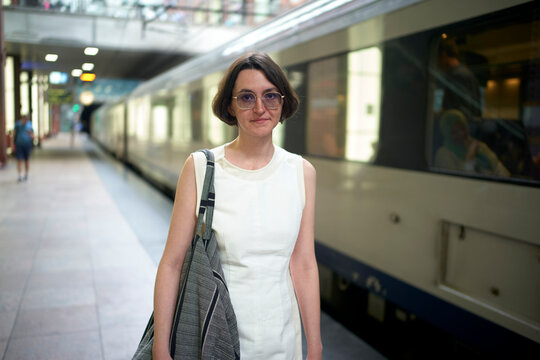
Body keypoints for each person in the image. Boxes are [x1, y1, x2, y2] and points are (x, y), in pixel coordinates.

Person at [152, 52, 322, 360]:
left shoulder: (301, 172)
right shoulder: (201, 168)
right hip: (213, 336)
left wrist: (316, 347)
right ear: (230, 105)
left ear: (283, 102)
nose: (260, 108)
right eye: (246, 97)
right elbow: (171, 264)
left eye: (270, 96)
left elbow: (304, 264)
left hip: (283, 342)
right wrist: (161, 349)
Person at [434, 109, 510, 177]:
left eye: (463, 128)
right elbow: (460, 183)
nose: (461, 134)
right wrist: (470, 157)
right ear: (447, 134)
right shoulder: (444, 154)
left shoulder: (480, 147)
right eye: (454, 132)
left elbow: (503, 173)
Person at [437, 37, 482, 121]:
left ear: (443, 55)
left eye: (437, 59)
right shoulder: (467, 73)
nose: (437, 64)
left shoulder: (455, 76)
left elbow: (455, 113)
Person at [13, 114, 35, 182]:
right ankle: (20, 175)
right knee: (19, 159)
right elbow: (14, 133)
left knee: (26, 160)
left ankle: (26, 174)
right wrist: (13, 144)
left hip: (27, 144)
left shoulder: (29, 125)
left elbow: (33, 136)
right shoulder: (18, 124)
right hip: (19, 144)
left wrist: (30, 134)